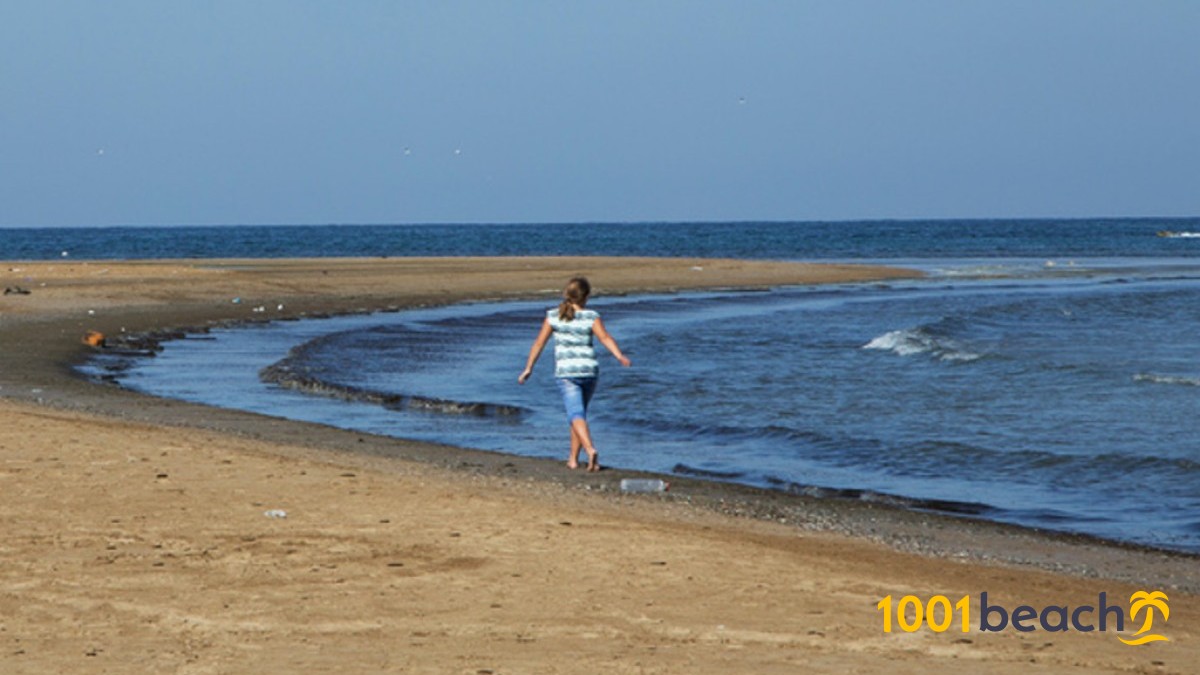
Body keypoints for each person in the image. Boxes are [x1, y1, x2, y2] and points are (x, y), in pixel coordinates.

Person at [518, 277, 631, 471]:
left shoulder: (553, 316)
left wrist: (529, 367)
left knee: (575, 413)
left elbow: (539, 343)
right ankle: (572, 459)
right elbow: (604, 337)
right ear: (585, 297)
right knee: (578, 414)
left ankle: (590, 450)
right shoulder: (591, 316)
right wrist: (619, 355)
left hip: (567, 372)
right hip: (589, 370)